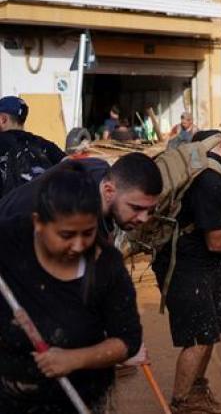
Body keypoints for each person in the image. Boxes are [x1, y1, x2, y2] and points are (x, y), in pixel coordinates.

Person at [0, 162, 142, 413]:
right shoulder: (11, 239)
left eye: (87, 233)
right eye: (66, 235)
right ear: (38, 223)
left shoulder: (106, 265)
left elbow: (128, 340)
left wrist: (72, 359)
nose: (78, 246)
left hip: (81, 398)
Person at [152, 115, 221, 414]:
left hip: (204, 256)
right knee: (199, 336)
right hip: (184, 258)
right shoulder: (211, 181)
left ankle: (197, 391)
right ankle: (181, 402)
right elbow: (216, 241)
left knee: (214, 325)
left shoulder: (212, 139)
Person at [0, 152, 162, 242]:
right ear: (108, 191)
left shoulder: (101, 171)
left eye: (150, 210)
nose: (144, 218)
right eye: (136, 208)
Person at [0, 96, 66, 196]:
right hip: (42, 205)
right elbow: (68, 162)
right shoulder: (42, 143)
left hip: (8, 207)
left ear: (3, 119)